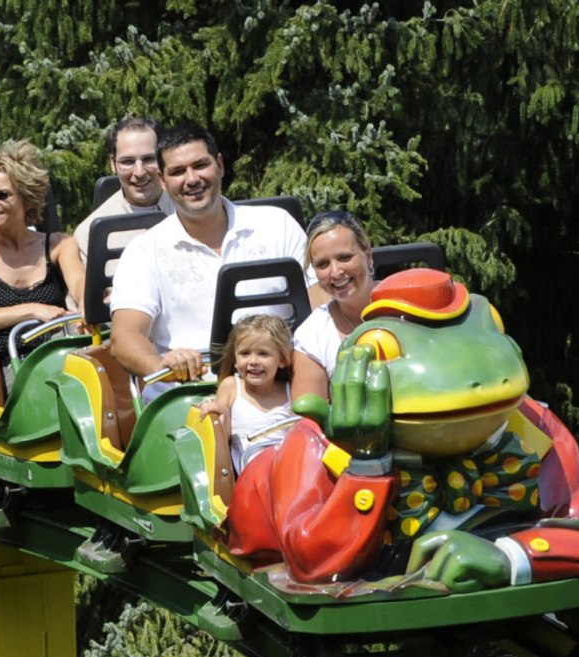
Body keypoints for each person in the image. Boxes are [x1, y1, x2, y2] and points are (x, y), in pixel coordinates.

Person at [108, 123, 320, 395]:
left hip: (285, 391)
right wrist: (164, 365)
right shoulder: (144, 251)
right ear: (162, 180)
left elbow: (320, 304)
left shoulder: (277, 225)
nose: (192, 179)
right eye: (177, 172)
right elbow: (125, 337)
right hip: (192, 398)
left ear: (219, 164)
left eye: (200, 165)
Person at [0, 141, 86, 373]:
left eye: (2, 195)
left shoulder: (59, 245)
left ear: (27, 200)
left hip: (59, 356)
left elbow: (81, 285)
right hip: (6, 365)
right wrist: (32, 309)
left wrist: (85, 307)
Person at [291, 210, 377, 401]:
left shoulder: (406, 305)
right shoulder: (312, 335)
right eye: (323, 264)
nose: (336, 272)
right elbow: (307, 421)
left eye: (345, 258)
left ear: (368, 255)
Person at [69, 115, 175, 266]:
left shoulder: (190, 210)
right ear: (113, 164)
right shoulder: (90, 235)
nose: (139, 172)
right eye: (128, 162)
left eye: (149, 159)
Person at [199, 314, 296, 473]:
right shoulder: (232, 386)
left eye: (263, 354)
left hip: (286, 471)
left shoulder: (290, 389)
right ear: (235, 360)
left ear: (282, 360)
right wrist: (219, 411)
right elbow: (222, 434)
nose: (253, 361)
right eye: (245, 353)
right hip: (247, 477)